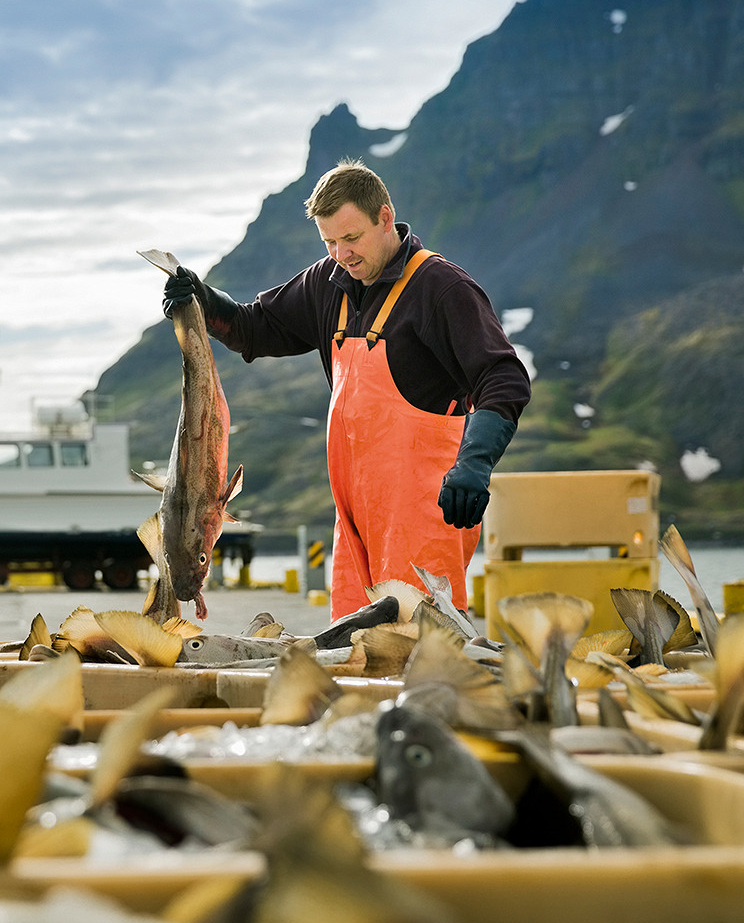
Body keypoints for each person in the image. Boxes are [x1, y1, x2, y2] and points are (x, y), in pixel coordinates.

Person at [162, 159, 530, 620]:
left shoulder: (442, 289)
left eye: (350, 238)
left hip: (423, 514)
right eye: (329, 242)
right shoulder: (327, 283)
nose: (341, 254)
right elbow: (254, 328)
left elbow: (504, 377)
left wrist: (474, 464)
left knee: (422, 650)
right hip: (354, 519)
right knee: (353, 653)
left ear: (384, 217)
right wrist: (201, 299)